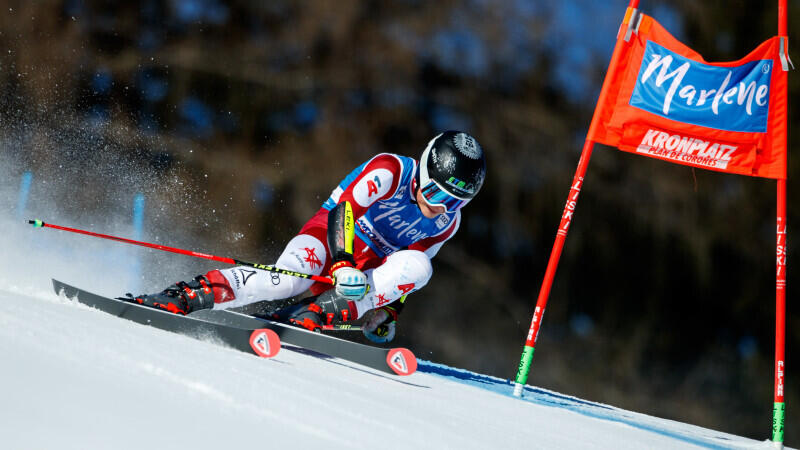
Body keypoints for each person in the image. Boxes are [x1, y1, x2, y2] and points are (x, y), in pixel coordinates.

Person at [125, 131, 486, 343]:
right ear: (423, 170)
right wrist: (343, 261)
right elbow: (343, 211)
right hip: (329, 241)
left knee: (422, 265)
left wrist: (386, 311)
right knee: (285, 282)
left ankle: (312, 315)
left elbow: (405, 274)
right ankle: (187, 295)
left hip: (360, 278)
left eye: (458, 202)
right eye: (439, 194)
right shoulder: (390, 171)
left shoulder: (446, 223)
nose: (442, 207)